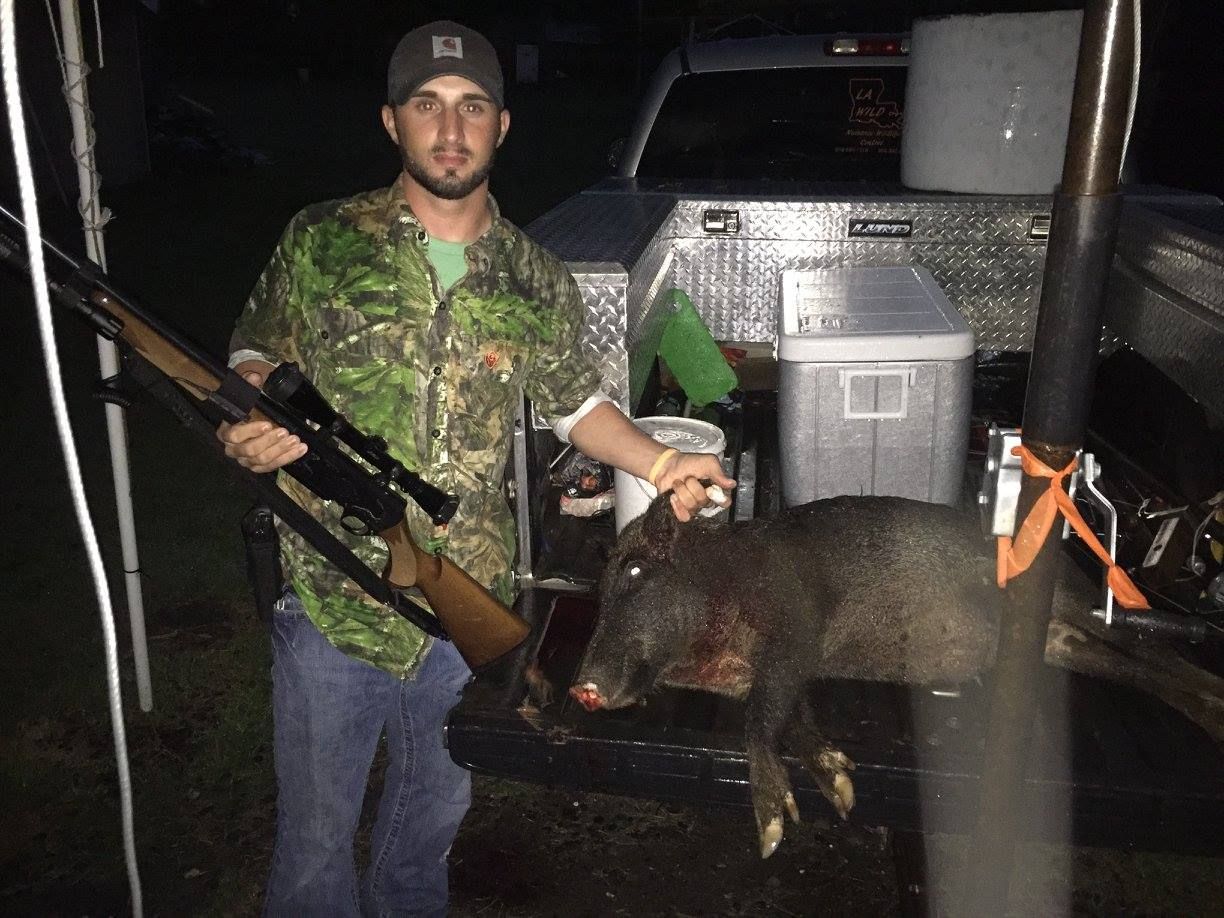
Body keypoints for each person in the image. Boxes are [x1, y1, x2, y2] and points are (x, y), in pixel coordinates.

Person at [216, 19, 734, 918]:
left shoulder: (535, 275)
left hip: (464, 609)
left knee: (423, 841)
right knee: (312, 852)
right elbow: (253, 354)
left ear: (502, 126)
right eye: (427, 105)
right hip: (334, 602)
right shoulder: (320, 240)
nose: (450, 129)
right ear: (392, 121)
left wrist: (660, 460)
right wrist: (250, 411)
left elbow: (574, 405)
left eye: (472, 107)